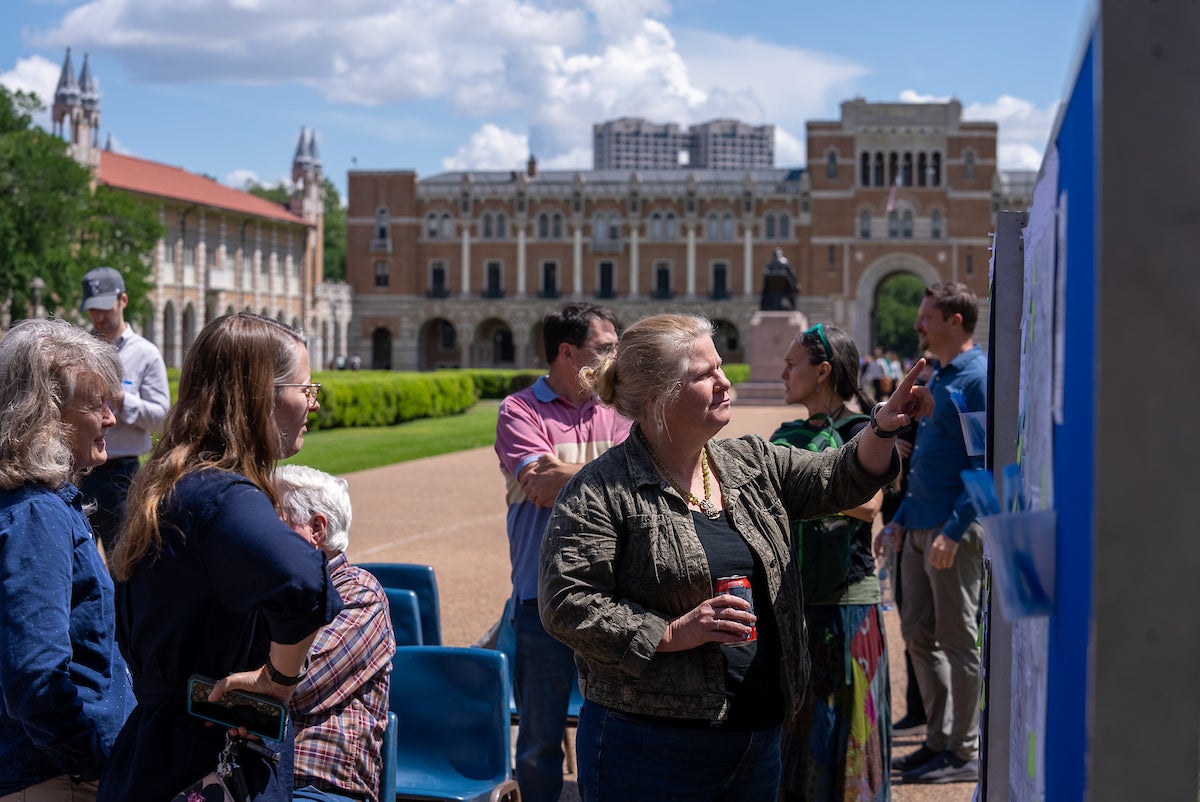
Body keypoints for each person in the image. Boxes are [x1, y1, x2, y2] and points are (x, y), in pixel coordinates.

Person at [539, 313, 932, 802]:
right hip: (649, 746)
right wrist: (668, 633)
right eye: (706, 374)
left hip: (757, 735)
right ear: (661, 396)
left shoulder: (749, 463)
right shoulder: (600, 489)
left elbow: (840, 478)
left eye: (721, 366)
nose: (726, 381)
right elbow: (566, 602)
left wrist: (882, 426)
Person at [98, 313, 343, 802]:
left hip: (159, 749)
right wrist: (277, 680)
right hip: (208, 758)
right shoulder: (221, 493)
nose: (312, 402)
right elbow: (305, 584)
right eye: (305, 387)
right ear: (261, 394)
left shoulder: (168, 482)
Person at [493, 302, 632, 802]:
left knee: (619, 728)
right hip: (541, 595)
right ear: (568, 352)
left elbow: (639, 483)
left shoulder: (617, 410)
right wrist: (621, 472)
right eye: (606, 347)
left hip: (616, 594)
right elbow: (541, 488)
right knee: (537, 740)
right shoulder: (519, 411)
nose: (617, 356)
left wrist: (570, 473)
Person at [0, 318, 134, 801]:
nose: (111, 418)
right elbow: (36, 678)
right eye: (98, 405)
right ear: (48, 413)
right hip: (54, 780)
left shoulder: (34, 504)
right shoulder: (37, 514)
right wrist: (93, 762)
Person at [770, 323, 890, 802]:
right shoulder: (784, 434)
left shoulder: (863, 431)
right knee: (800, 727)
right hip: (796, 604)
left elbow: (871, 504)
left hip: (849, 606)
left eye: (791, 364)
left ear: (823, 372)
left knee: (850, 725)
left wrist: (801, 487)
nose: (782, 373)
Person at [876, 283, 986, 784]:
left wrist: (958, 527)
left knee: (958, 640)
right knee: (920, 636)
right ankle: (938, 741)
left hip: (951, 532)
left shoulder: (978, 378)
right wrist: (899, 520)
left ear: (955, 322)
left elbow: (985, 464)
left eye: (927, 318)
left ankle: (963, 751)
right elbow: (929, 457)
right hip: (919, 526)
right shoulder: (939, 377)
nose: (917, 325)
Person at [272, 464, 395, 802]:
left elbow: (291, 686)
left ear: (317, 528)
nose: (260, 533)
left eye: (273, 520)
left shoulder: (359, 595)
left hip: (316, 786)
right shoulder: (269, 590)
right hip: (254, 777)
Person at [77, 266, 170, 554]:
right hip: (81, 471)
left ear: (123, 301)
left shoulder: (146, 354)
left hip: (123, 476)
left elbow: (162, 419)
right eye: (93, 309)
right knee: (78, 560)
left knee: (125, 562)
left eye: (105, 308)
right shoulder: (76, 349)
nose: (99, 316)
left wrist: (121, 398)